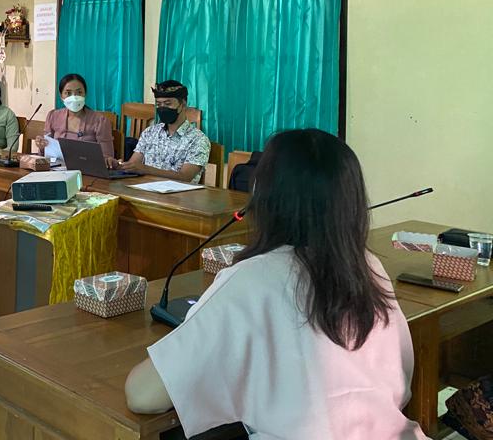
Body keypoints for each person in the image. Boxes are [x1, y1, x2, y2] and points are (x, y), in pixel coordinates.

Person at [125, 130, 428, 440]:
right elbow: (402, 377)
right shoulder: (367, 266)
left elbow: (143, 395)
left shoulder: (254, 278)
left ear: (264, 196)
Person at [120, 81, 209, 183]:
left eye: (167, 104)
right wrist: (119, 165)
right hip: (145, 189)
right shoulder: (150, 132)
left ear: (183, 105)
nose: (162, 108)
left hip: (178, 192)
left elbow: (185, 177)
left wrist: (146, 169)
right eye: (158, 104)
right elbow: (133, 165)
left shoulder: (198, 140)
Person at [35, 73, 115, 163]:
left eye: (79, 92)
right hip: (56, 168)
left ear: (85, 94)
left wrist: (107, 161)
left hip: (87, 169)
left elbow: (107, 157)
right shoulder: (53, 116)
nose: (74, 97)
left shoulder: (100, 121)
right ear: (61, 96)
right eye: (68, 93)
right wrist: (41, 146)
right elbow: (45, 152)